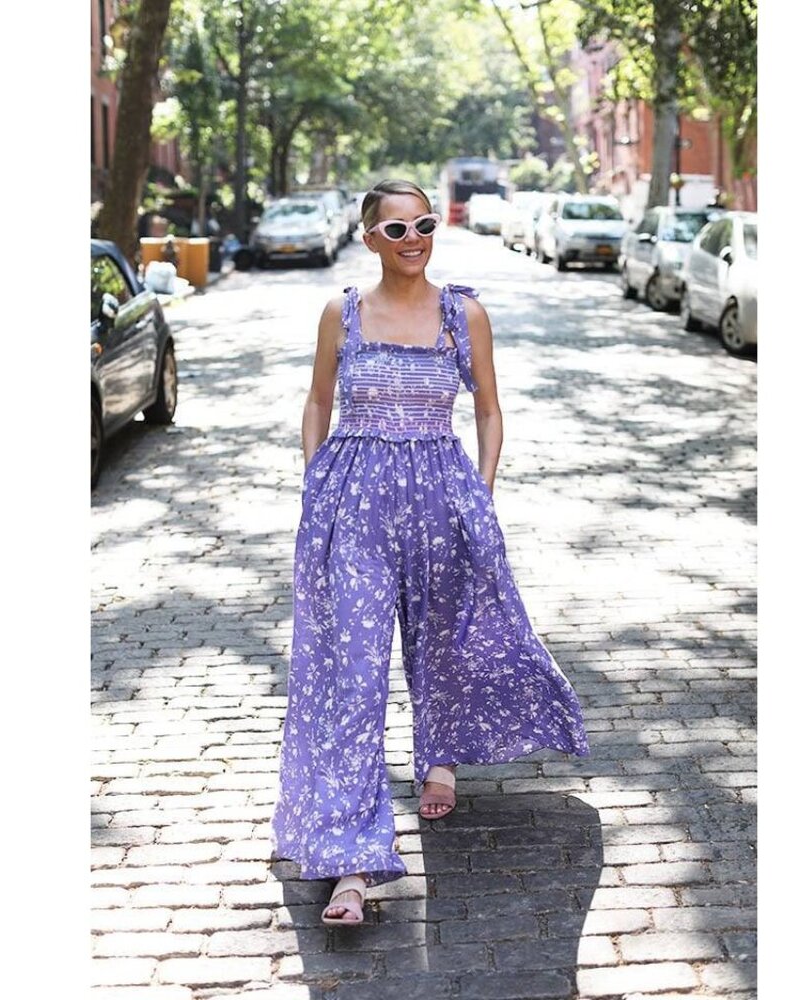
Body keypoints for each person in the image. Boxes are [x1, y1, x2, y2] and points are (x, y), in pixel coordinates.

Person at [269, 179, 590, 927]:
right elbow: (318, 401)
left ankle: (438, 755)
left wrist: (481, 491)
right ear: (369, 239)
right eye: (396, 229)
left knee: (444, 641)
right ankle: (350, 860)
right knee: (349, 674)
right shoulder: (342, 313)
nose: (413, 238)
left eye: (422, 225)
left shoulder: (462, 314)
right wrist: (315, 480)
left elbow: (489, 410)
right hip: (354, 504)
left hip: (442, 497)